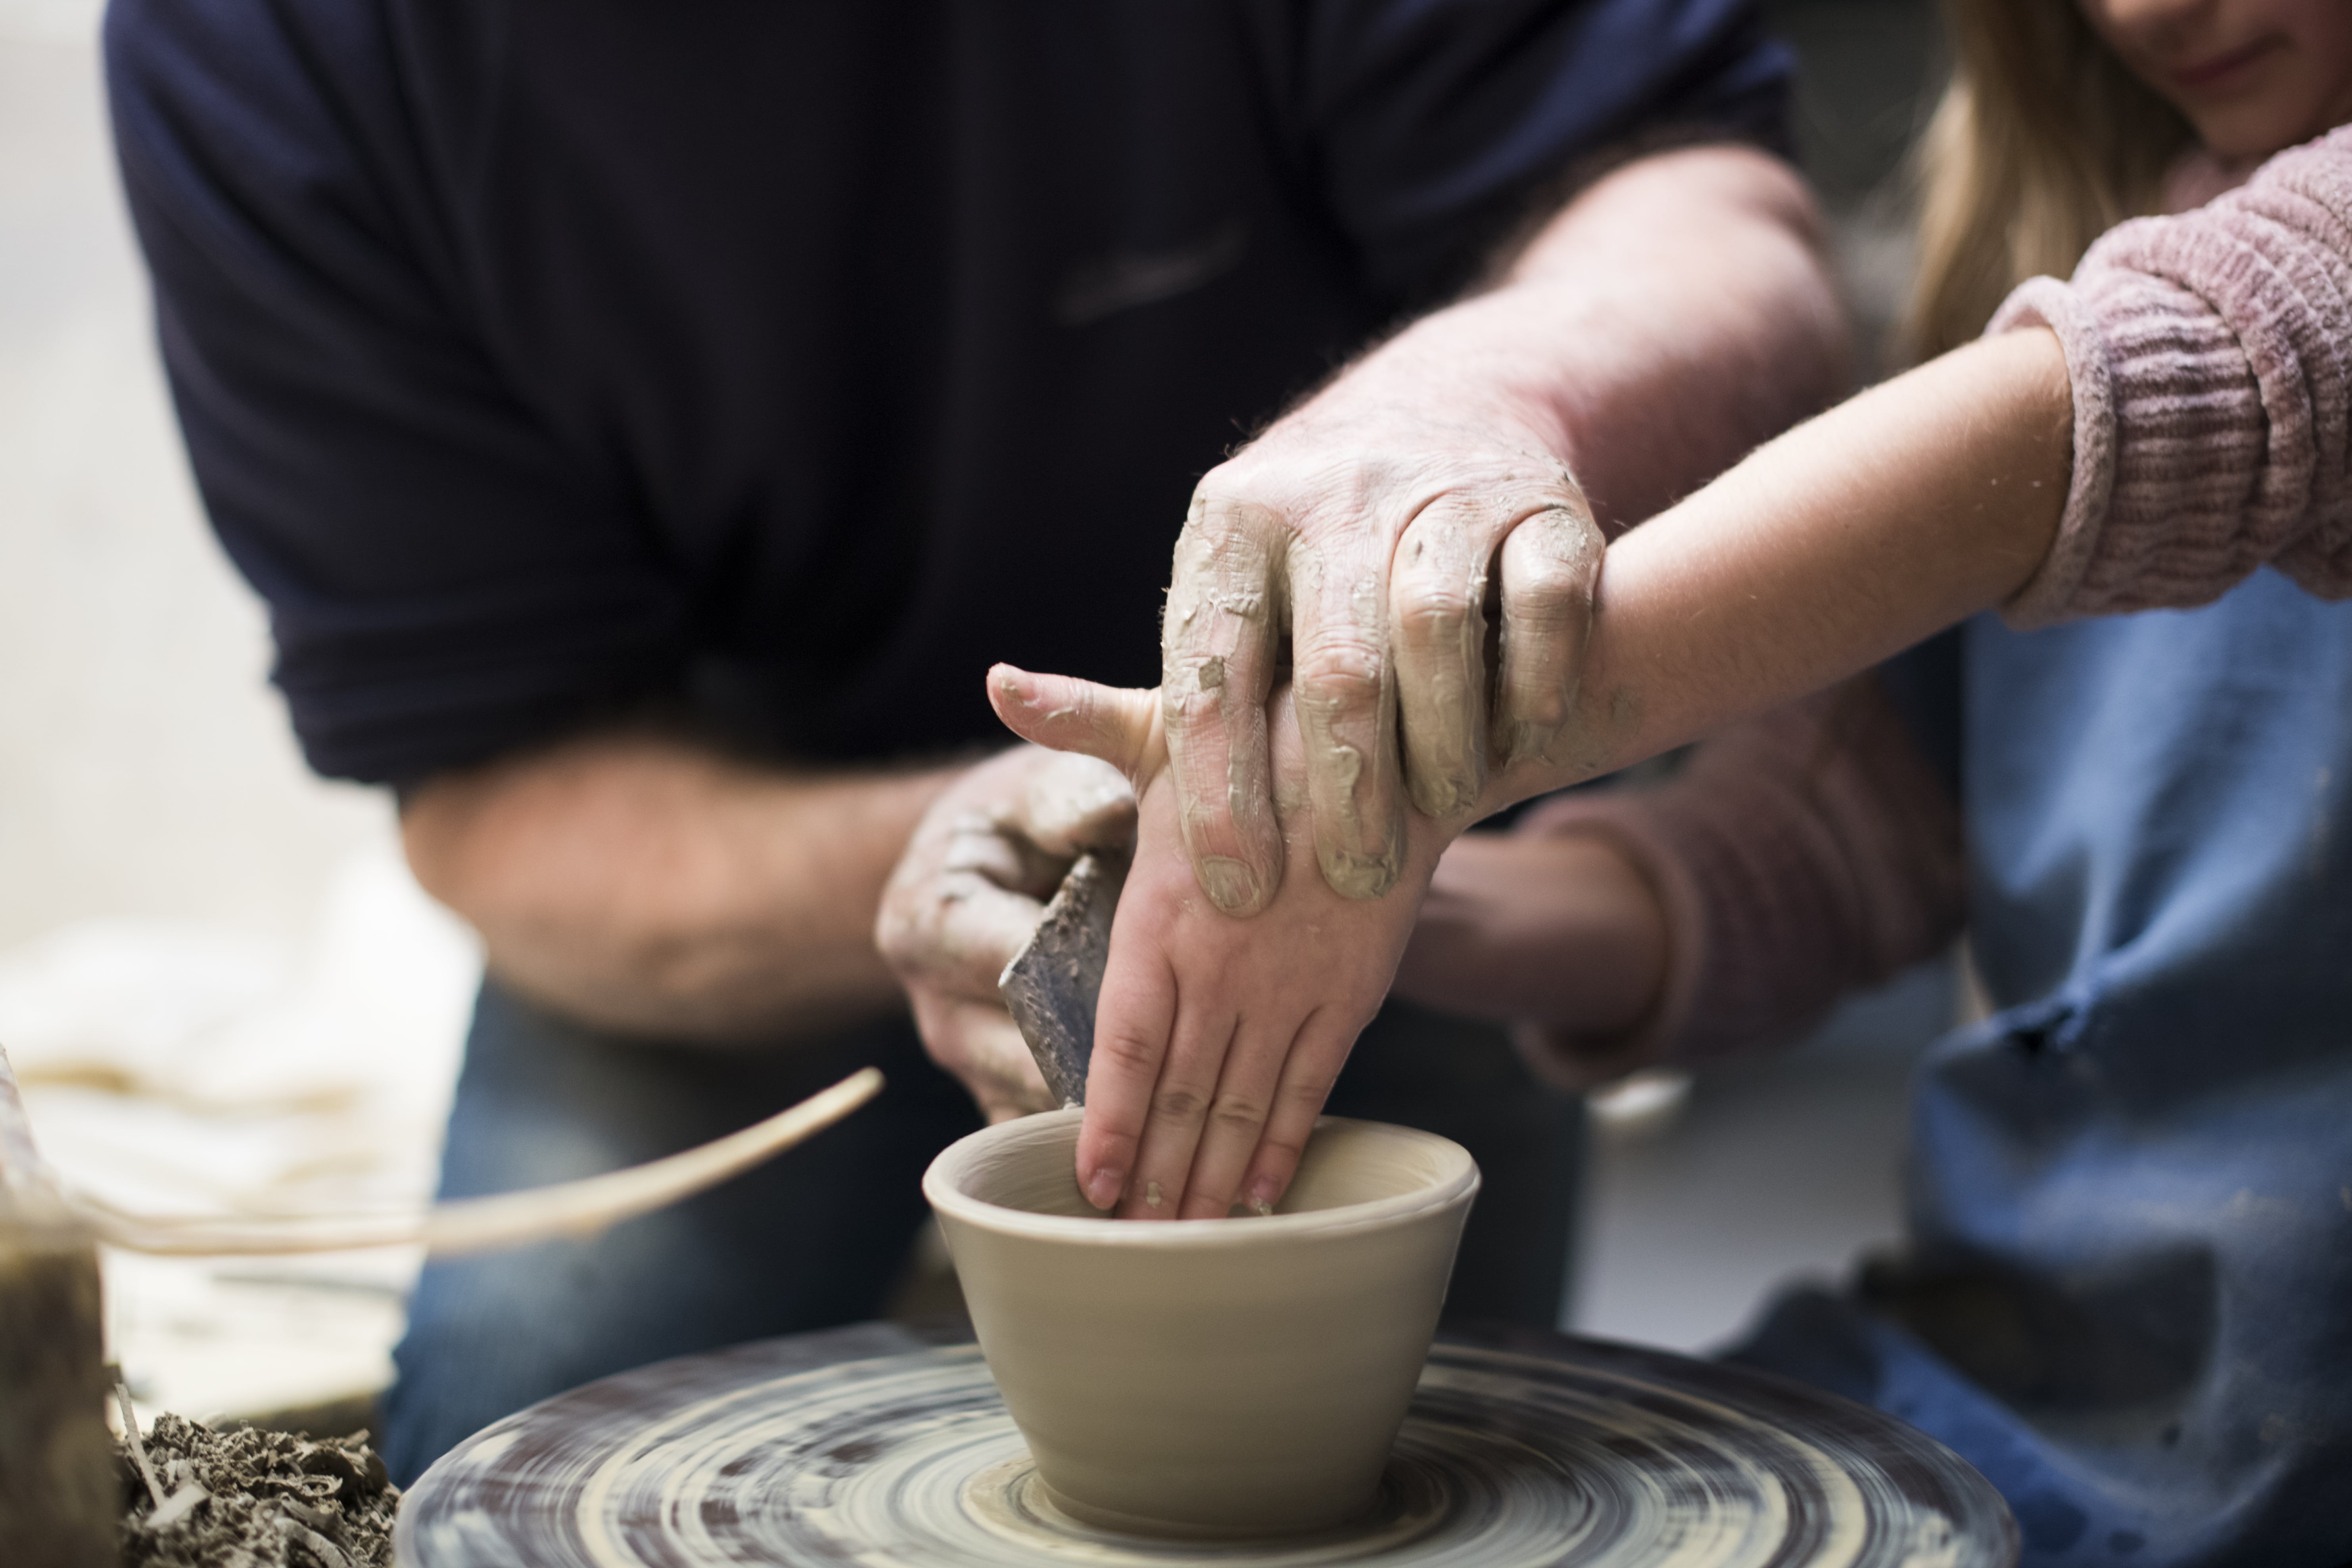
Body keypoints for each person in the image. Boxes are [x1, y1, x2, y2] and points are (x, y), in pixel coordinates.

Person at [103, 0, 1856, 1480]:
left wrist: (1462, 422)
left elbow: (1717, 223)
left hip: (1383, 743)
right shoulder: (271, 49)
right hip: (770, 801)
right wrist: (952, 839)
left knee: (1432, 1441)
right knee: (534, 1405)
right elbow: (505, 795)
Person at [994, 0, 2352, 1556]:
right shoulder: (2055, 223)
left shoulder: (2173, 335)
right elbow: (1827, 839)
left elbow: (2168, 386)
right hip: (2012, 1372)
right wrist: (1376, 880)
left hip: (2292, 1449)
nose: (2143, 9)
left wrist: (1401, 748)